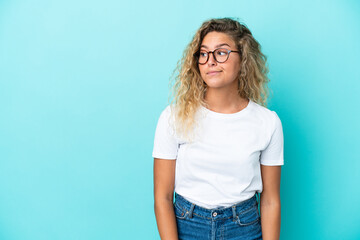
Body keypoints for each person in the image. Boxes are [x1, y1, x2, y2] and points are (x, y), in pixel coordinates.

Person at [152, 17, 284, 240]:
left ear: (243, 59)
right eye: (203, 54)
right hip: (188, 226)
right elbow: (162, 197)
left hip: (244, 227)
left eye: (221, 52)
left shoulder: (267, 122)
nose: (210, 61)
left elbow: (271, 200)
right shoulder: (173, 117)